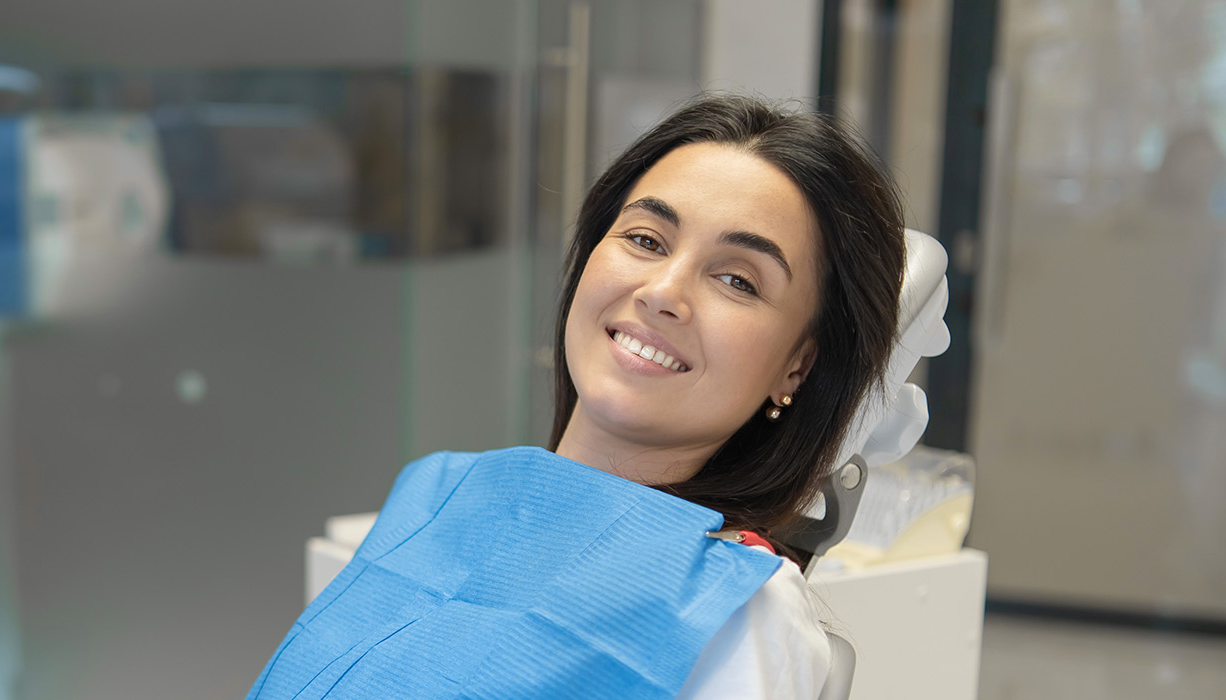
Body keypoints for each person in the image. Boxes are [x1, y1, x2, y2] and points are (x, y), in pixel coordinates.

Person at [246, 93, 906, 700]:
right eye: (646, 240)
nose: (662, 293)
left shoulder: (737, 609)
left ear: (796, 366)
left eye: (736, 279)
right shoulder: (438, 495)